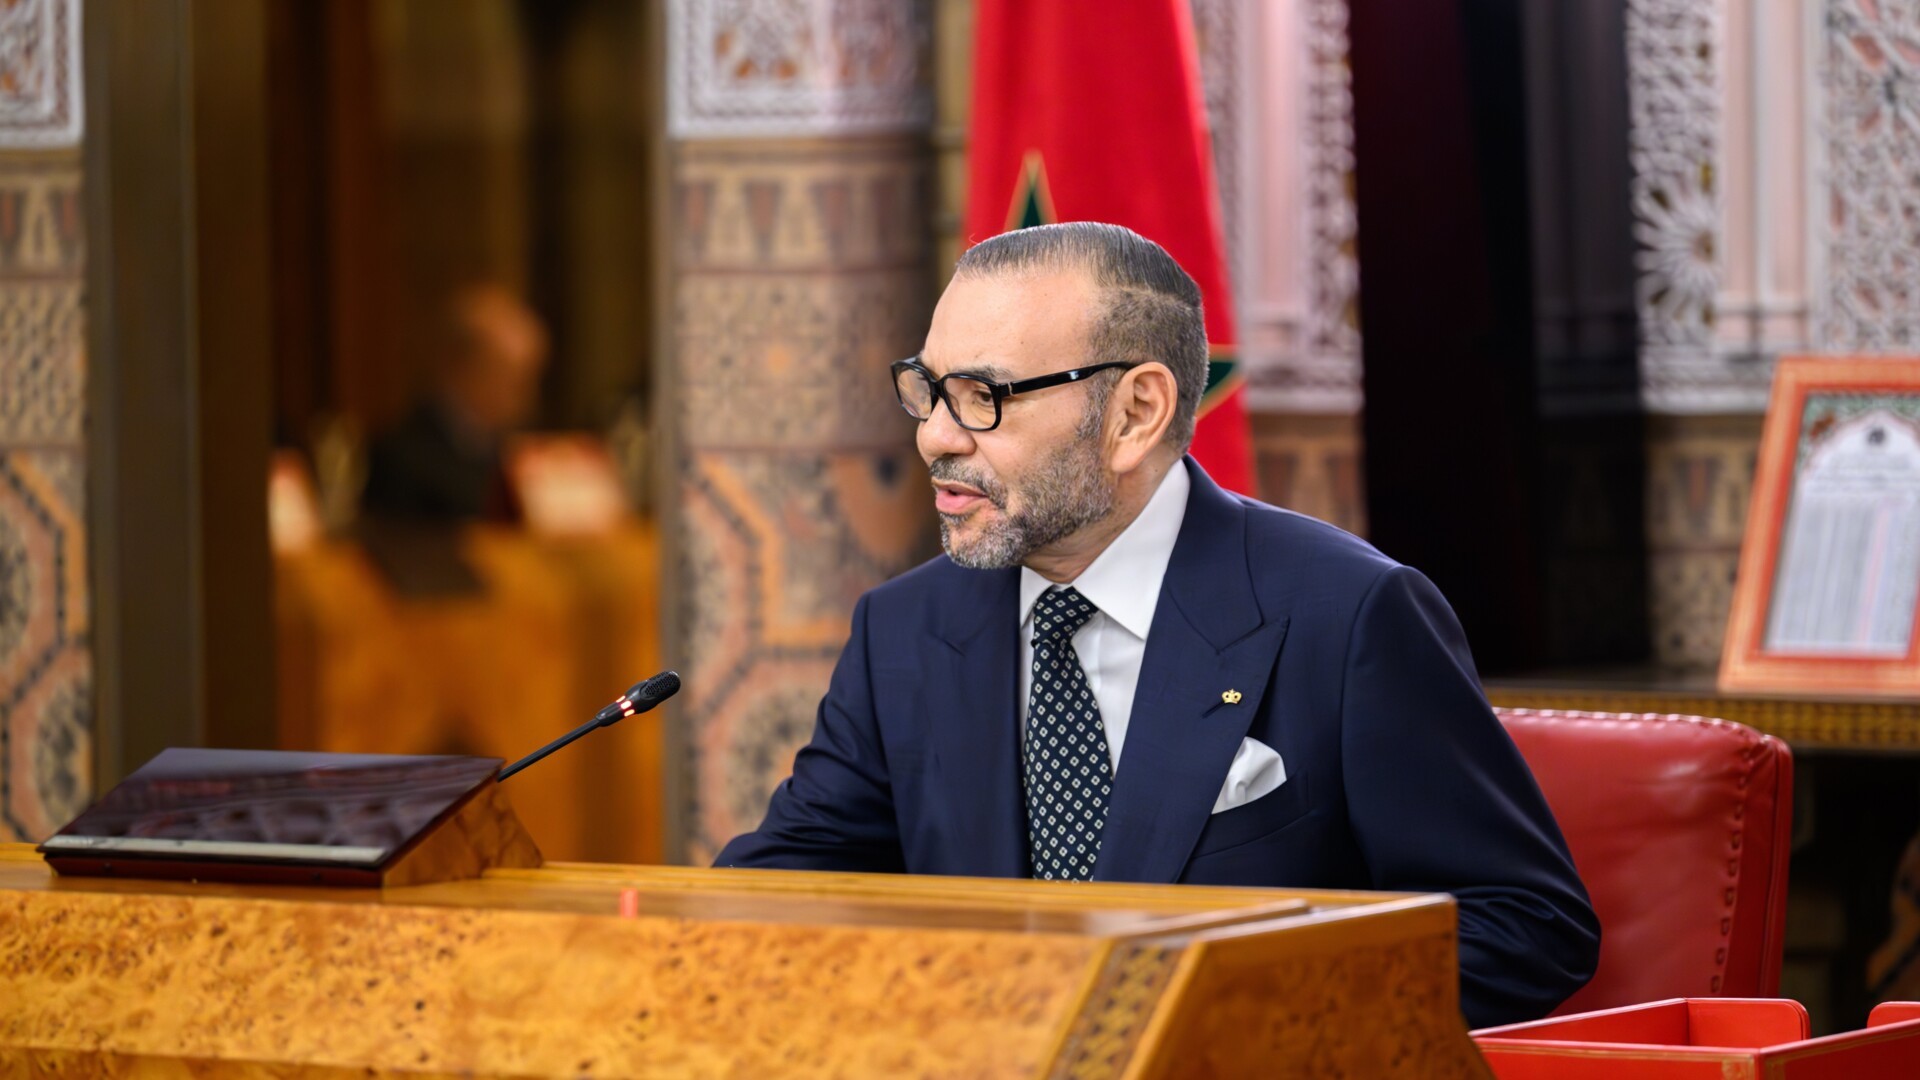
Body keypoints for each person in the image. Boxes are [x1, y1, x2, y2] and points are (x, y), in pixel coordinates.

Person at [715, 222, 1599, 1028]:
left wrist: (1224, 1021)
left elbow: (1525, 923)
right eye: (929, 390)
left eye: (983, 395)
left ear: (1136, 413)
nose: (936, 437)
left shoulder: (1349, 614)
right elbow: (786, 891)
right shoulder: (905, 629)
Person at [361, 282, 550, 523]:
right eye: (511, 378)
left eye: (529, 379)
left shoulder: (518, 449)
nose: (527, 396)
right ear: (463, 368)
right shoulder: (401, 456)